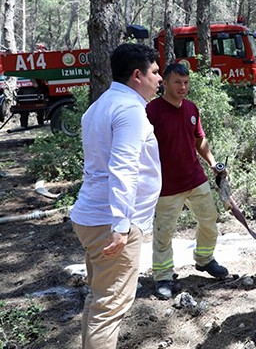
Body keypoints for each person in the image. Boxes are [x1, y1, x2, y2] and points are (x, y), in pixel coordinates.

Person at [69, 43, 162, 349]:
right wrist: (121, 225)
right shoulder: (130, 110)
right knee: (109, 307)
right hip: (113, 222)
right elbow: (123, 167)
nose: (159, 78)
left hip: (93, 216)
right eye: (155, 71)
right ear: (138, 75)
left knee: (99, 301)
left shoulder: (99, 106)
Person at [146, 63, 229, 300]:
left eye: (186, 83)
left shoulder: (192, 108)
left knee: (209, 220)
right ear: (165, 83)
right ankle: (162, 276)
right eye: (177, 82)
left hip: (195, 177)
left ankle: (204, 260)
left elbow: (198, 140)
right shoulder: (151, 111)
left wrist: (212, 163)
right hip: (166, 186)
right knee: (164, 233)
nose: (183, 87)